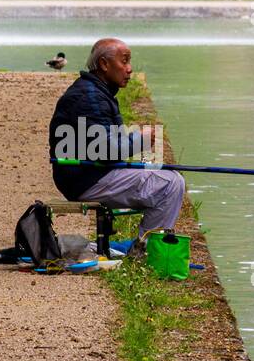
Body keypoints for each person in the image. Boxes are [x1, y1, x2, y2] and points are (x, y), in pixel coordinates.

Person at [48, 39, 185, 246]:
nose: (129, 69)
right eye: (124, 61)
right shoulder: (89, 97)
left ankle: (145, 245)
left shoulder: (97, 91)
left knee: (167, 177)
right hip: (86, 180)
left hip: (93, 173)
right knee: (170, 183)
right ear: (104, 64)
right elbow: (107, 149)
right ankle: (146, 250)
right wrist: (142, 139)